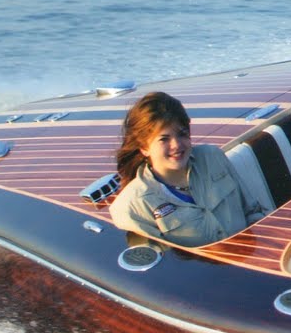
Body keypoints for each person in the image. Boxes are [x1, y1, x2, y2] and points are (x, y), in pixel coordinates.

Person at [109, 91, 263, 247]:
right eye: (164, 139)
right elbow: (164, 267)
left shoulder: (212, 157)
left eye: (182, 134)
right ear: (144, 147)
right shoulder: (132, 207)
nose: (177, 145)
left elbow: (253, 212)